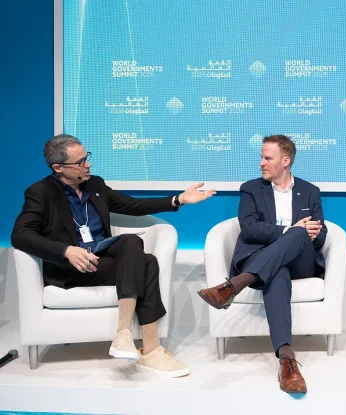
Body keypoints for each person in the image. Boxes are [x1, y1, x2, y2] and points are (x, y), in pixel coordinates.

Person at [11, 134, 215, 377]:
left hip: (101, 256)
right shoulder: (40, 192)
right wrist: (65, 251)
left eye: (87, 158)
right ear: (58, 168)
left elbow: (132, 206)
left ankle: (123, 334)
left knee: (131, 241)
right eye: (80, 162)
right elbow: (20, 234)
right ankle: (151, 349)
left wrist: (178, 199)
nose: (87, 165)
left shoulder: (95, 185)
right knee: (148, 262)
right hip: (73, 267)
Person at [197, 134, 326, 394]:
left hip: (300, 262)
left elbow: (321, 235)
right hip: (261, 257)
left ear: (285, 161)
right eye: (261, 157)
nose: (261, 163)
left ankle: (233, 286)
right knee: (277, 269)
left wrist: (303, 234)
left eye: (268, 158)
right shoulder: (251, 189)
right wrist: (291, 231)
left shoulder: (310, 191)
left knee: (299, 234)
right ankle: (287, 361)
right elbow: (250, 228)